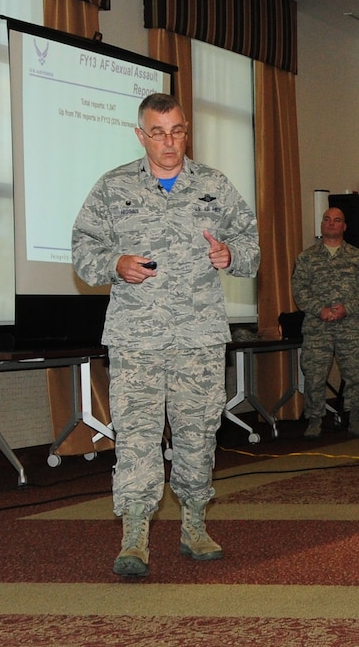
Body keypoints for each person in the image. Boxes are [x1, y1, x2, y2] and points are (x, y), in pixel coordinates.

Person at [72, 92, 260, 580]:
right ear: (141, 135)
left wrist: (231, 256)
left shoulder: (214, 186)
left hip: (199, 336)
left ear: (186, 130)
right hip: (136, 338)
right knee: (137, 436)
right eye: (157, 132)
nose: (168, 141)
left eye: (176, 130)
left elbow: (251, 245)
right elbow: (83, 252)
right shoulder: (113, 188)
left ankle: (194, 525)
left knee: (197, 433)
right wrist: (115, 264)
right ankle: (134, 534)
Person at [291, 204, 359, 438]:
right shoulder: (306, 258)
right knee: (315, 375)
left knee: (356, 374)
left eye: (337, 220)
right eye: (327, 219)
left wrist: (346, 309)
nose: (331, 223)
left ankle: (355, 419)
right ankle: (315, 421)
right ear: (322, 225)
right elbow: (299, 290)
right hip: (318, 327)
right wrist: (320, 310)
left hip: (351, 326)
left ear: (344, 226)